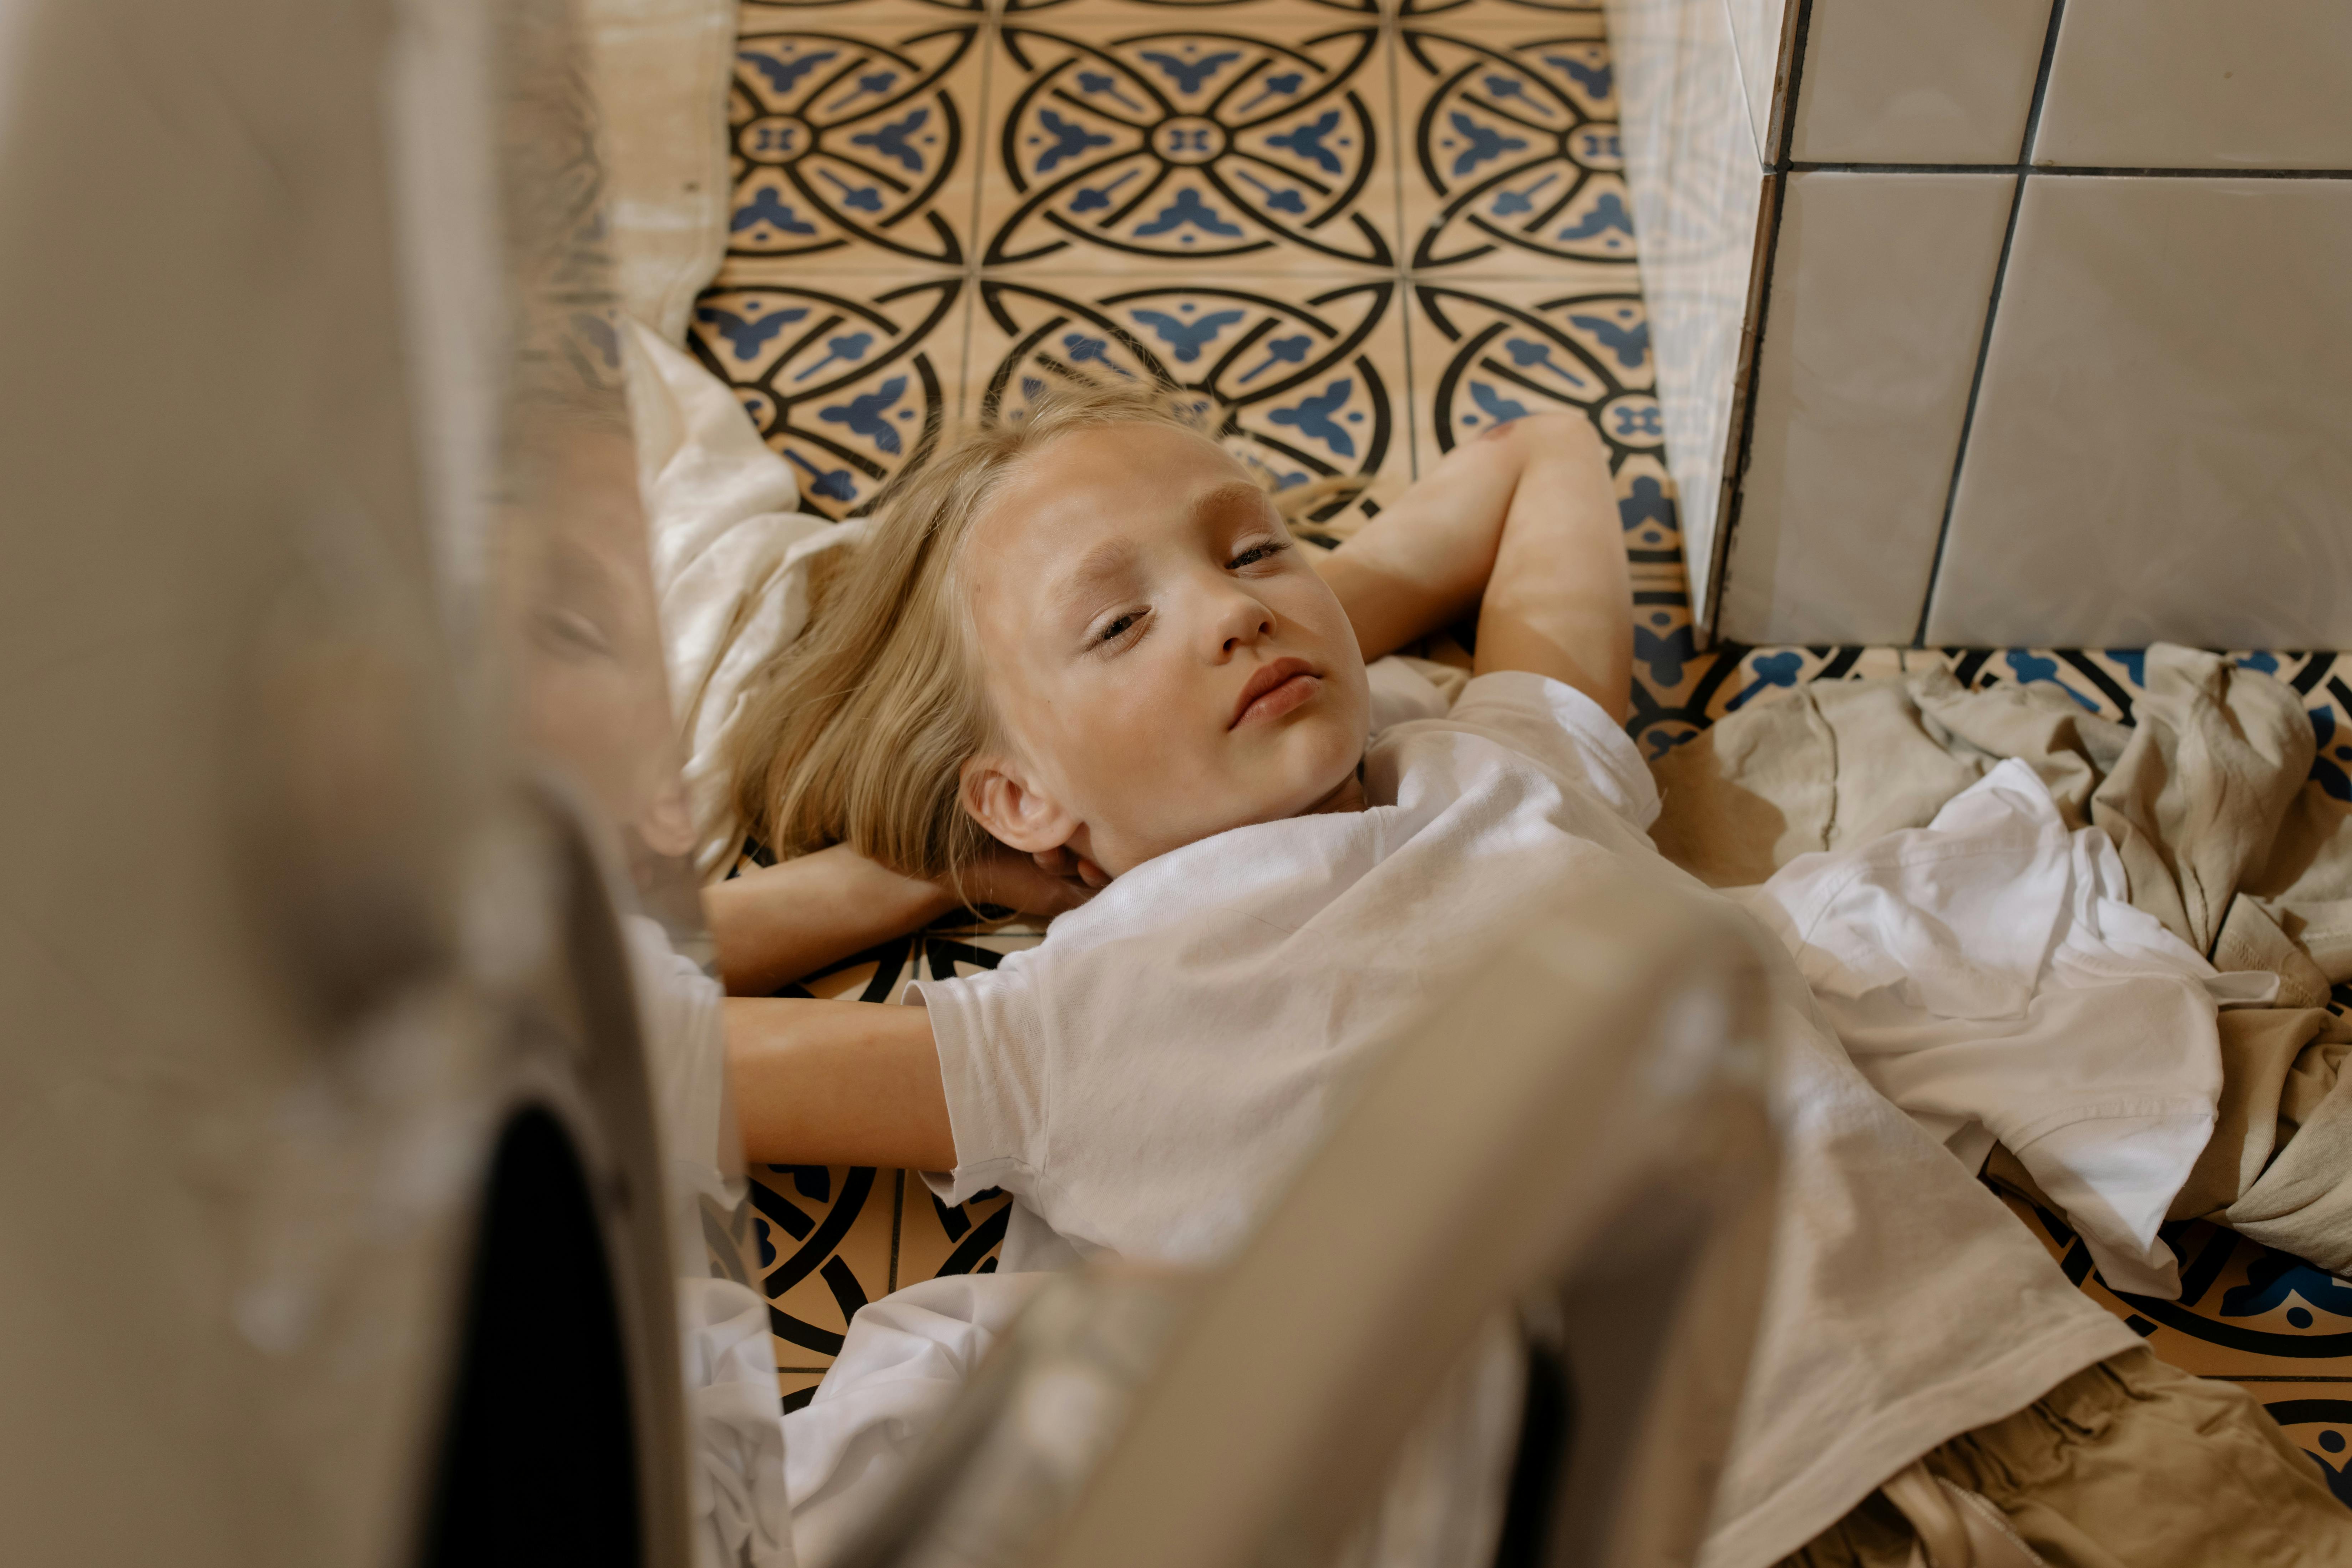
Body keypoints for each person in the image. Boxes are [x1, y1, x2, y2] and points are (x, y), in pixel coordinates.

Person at [702, 382, 2352, 1567]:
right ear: (1014, 795)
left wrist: (1230, 651)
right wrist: (902, 865)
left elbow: (1537, 455)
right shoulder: (1058, 1023)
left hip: (2045, 1403)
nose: (1229, 610)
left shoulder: (1502, 764)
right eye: (1115, 626)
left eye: (1253, 547)